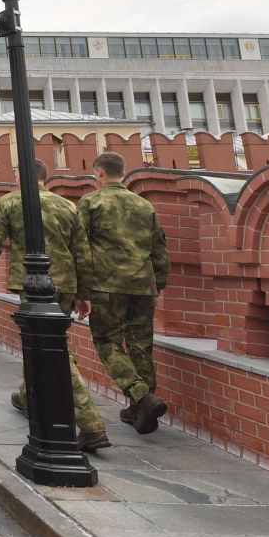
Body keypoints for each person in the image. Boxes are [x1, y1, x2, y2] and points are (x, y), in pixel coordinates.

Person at [0, 160, 111, 453]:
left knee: (55, 350)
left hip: (33, 282)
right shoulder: (67, 206)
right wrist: (83, 292)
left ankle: (91, 424)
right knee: (44, 342)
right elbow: (82, 251)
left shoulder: (10, 202)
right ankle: (28, 397)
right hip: (64, 282)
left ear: (19, 175)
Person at [78, 152, 171, 433]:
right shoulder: (144, 206)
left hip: (106, 285)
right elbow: (160, 251)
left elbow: (80, 249)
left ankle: (141, 395)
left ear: (99, 173)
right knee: (141, 345)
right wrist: (157, 284)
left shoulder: (91, 202)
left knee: (108, 341)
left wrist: (81, 291)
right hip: (143, 285)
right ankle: (139, 411)